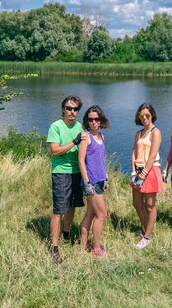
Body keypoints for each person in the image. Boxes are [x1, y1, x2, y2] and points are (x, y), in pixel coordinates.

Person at [46, 96, 87, 264]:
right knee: (59, 210)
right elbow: (55, 151)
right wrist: (74, 141)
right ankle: (54, 247)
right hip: (61, 172)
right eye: (69, 108)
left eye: (75, 109)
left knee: (72, 206)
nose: (72, 112)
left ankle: (67, 234)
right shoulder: (56, 126)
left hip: (77, 172)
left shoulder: (79, 126)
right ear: (63, 109)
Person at [130, 102, 165, 249]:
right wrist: (133, 172)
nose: (144, 118)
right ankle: (145, 228)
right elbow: (134, 152)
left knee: (150, 205)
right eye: (142, 115)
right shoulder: (139, 133)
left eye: (147, 115)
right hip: (138, 171)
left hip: (150, 171)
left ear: (152, 116)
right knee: (137, 204)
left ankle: (147, 237)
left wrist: (143, 174)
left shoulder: (155, 132)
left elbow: (151, 157)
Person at [78, 106, 110, 257]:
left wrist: (106, 177)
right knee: (102, 215)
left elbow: (100, 160)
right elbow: (81, 161)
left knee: (90, 214)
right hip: (91, 182)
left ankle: (82, 247)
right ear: (87, 121)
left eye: (96, 119)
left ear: (101, 120)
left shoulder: (101, 137)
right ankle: (96, 249)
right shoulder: (86, 137)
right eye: (90, 119)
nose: (94, 122)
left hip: (100, 180)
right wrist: (87, 183)